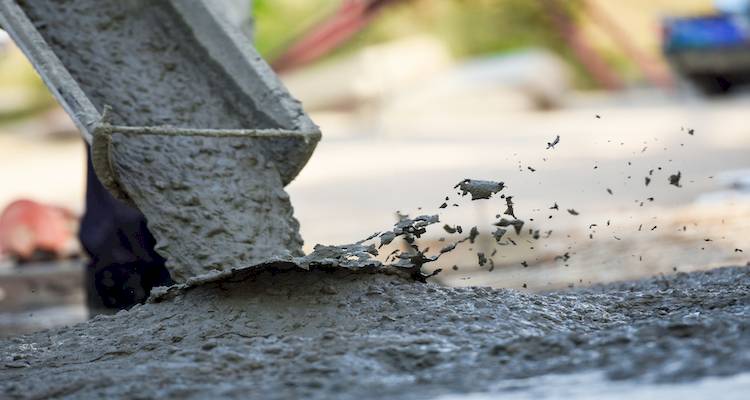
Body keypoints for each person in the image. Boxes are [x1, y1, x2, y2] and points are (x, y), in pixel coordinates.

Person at [81, 0, 254, 314]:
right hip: (107, 51)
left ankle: (212, 285)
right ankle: (120, 297)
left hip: (211, 59)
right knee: (119, 155)